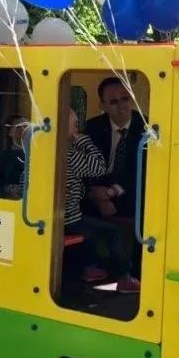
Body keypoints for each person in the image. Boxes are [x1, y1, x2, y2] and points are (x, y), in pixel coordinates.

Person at [64, 109, 141, 293]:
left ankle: (90, 267)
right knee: (111, 231)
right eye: (74, 125)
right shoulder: (68, 154)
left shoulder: (43, 150)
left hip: (62, 215)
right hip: (68, 219)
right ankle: (125, 277)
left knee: (90, 223)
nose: (77, 129)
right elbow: (99, 167)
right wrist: (83, 140)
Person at [83, 77, 147, 218]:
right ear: (103, 106)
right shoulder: (93, 127)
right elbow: (84, 165)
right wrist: (96, 193)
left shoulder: (146, 127)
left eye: (125, 99)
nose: (122, 106)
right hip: (99, 190)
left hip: (131, 192)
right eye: (114, 101)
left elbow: (146, 172)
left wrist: (113, 191)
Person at [0, 114, 27, 200]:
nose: (23, 130)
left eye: (26, 126)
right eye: (18, 127)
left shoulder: (38, 157)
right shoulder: (3, 158)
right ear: (10, 132)